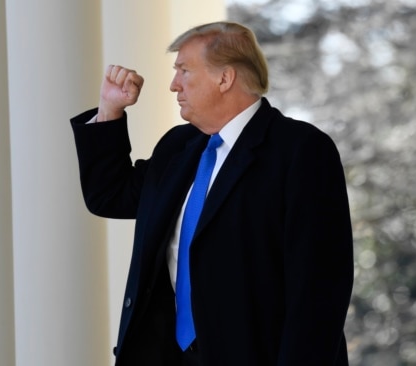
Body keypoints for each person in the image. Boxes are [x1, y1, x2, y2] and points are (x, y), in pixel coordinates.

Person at [70, 21, 353, 366]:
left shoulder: (301, 150)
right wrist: (109, 111)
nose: (174, 85)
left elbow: (319, 289)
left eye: (184, 71)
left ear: (225, 78)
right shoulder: (177, 147)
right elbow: (110, 195)